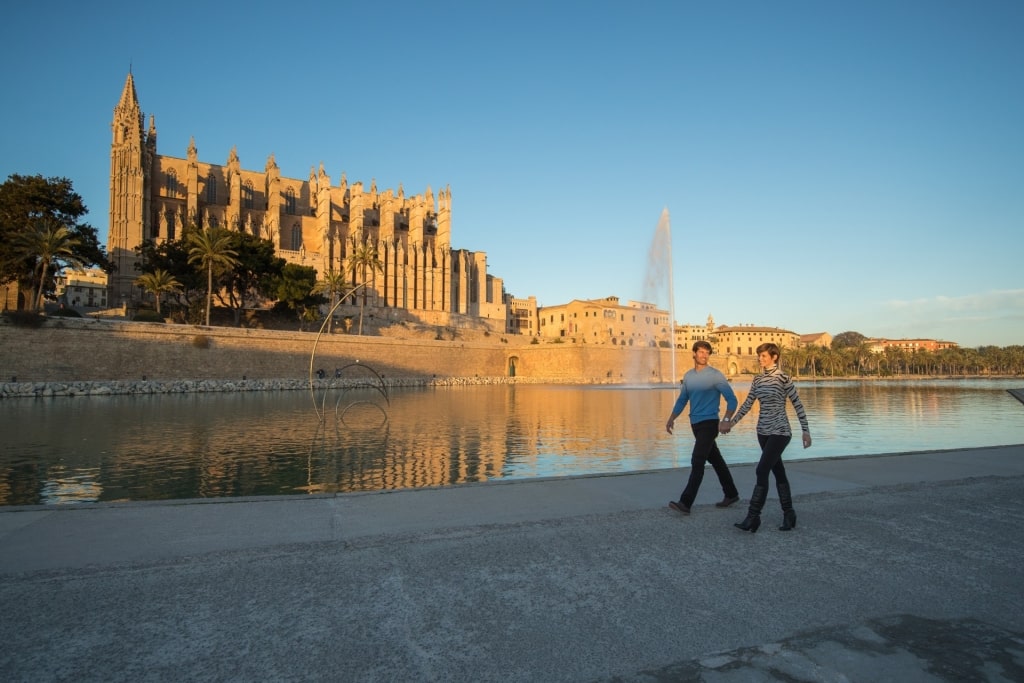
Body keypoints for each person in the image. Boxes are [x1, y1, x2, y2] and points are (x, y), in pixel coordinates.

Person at [720, 343, 812, 533]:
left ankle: (753, 517)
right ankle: (789, 513)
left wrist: (806, 431)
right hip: (762, 431)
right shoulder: (758, 379)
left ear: (774, 357)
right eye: (759, 356)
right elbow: (747, 405)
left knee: (762, 470)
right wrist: (732, 422)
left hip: (780, 431)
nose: (760, 359)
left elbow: (797, 404)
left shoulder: (783, 378)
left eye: (763, 356)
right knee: (778, 471)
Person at [665, 341, 741, 515]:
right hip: (695, 424)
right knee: (716, 460)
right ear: (694, 354)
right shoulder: (689, 376)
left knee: (697, 460)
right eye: (701, 352)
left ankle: (685, 503)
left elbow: (732, 399)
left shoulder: (715, 375)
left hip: (710, 423)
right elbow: (683, 400)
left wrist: (726, 419)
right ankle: (731, 493)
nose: (704, 355)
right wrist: (671, 419)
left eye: (707, 353)